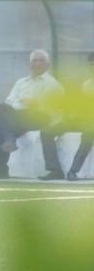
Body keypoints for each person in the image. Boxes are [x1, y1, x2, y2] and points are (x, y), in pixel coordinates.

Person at [0, 49, 64, 180]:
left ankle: (0, 167)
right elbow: (9, 102)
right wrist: (19, 106)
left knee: (3, 124)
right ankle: (8, 141)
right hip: (18, 116)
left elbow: (56, 108)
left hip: (39, 117)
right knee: (2, 110)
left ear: (48, 65)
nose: (37, 63)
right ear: (29, 64)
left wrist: (37, 104)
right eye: (34, 60)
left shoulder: (52, 84)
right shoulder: (21, 82)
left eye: (41, 60)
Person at [38, 51, 93, 181]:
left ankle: (73, 171)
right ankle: (55, 170)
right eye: (91, 65)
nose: (93, 68)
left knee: (89, 132)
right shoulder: (86, 84)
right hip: (82, 119)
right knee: (47, 132)